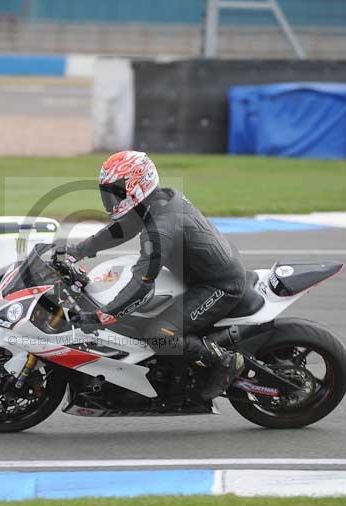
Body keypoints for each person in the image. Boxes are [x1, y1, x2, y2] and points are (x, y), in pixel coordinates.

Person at [69, 150, 245, 400]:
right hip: (199, 274)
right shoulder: (155, 203)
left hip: (219, 285)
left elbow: (142, 284)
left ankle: (225, 361)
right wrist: (79, 250)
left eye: (116, 190)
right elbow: (123, 228)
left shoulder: (160, 227)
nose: (109, 198)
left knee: (159, 334)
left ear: (136, 186)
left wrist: (104, 314)